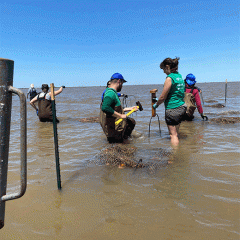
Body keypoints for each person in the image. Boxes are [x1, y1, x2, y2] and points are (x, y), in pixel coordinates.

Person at [153, 57, 186, 147]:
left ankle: (175, 157)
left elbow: (163, 96)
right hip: (182, 107)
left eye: (163, 69)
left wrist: (156, 104)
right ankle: (180, 151)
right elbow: (175, 93)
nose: (163, 71)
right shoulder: (179, 77)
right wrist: (159, 100)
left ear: (167, 67)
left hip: (172, 109)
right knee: (176, 132)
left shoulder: (169, 78)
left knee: (173, 135)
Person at [100, 73, 138, 143]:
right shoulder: (110, 93)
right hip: (113, 132)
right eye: (122, 83)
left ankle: (123, 140)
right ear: (119, 81)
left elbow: (113, 109)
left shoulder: (110, 92)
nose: (122, 86)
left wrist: (130, 109)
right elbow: (105, 107)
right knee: (131, 122)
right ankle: (123, 142)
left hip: (111, 129)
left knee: (131, 121)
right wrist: (120, 115)